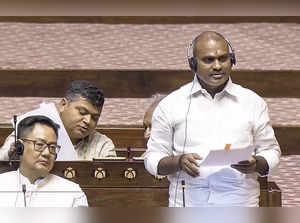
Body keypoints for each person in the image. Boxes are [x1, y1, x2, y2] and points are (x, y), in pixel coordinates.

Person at [144, 31, 281, 207]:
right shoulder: (171, 104)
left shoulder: (252, 102)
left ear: (232, 60)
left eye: (223, 59)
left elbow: (272, 152)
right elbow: (152, 158)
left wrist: (256, 164)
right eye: (208, 60)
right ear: (193, 64)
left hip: (238, 203)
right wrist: (178, 162)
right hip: (189, 204)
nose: (217, 66)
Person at [0, 80, 116, 160]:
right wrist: (12, 153)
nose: (88, 121)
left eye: (95, 118)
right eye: (82, 112)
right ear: (63, 105)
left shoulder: (102, 145)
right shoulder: (32, 128)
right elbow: (2, 157)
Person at [0, 115, 88, 207]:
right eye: (39, 144)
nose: (47, 153)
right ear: (19, 147)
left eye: (52, 147)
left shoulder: (73, 193)